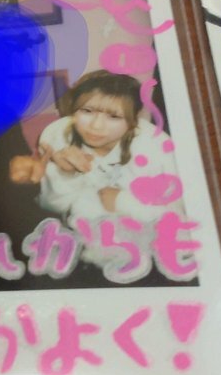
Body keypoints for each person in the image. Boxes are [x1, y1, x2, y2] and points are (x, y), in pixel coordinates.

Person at [12, 70, 183, 278]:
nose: (96, 126)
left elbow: (179, 214)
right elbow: (52, 206)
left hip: (151, 251)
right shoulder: (59, 137)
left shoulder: (155, 147)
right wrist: (65, 173)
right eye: (87, 111)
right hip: (85, 246)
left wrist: (122, 201)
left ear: (132, 121)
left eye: (114, 116)